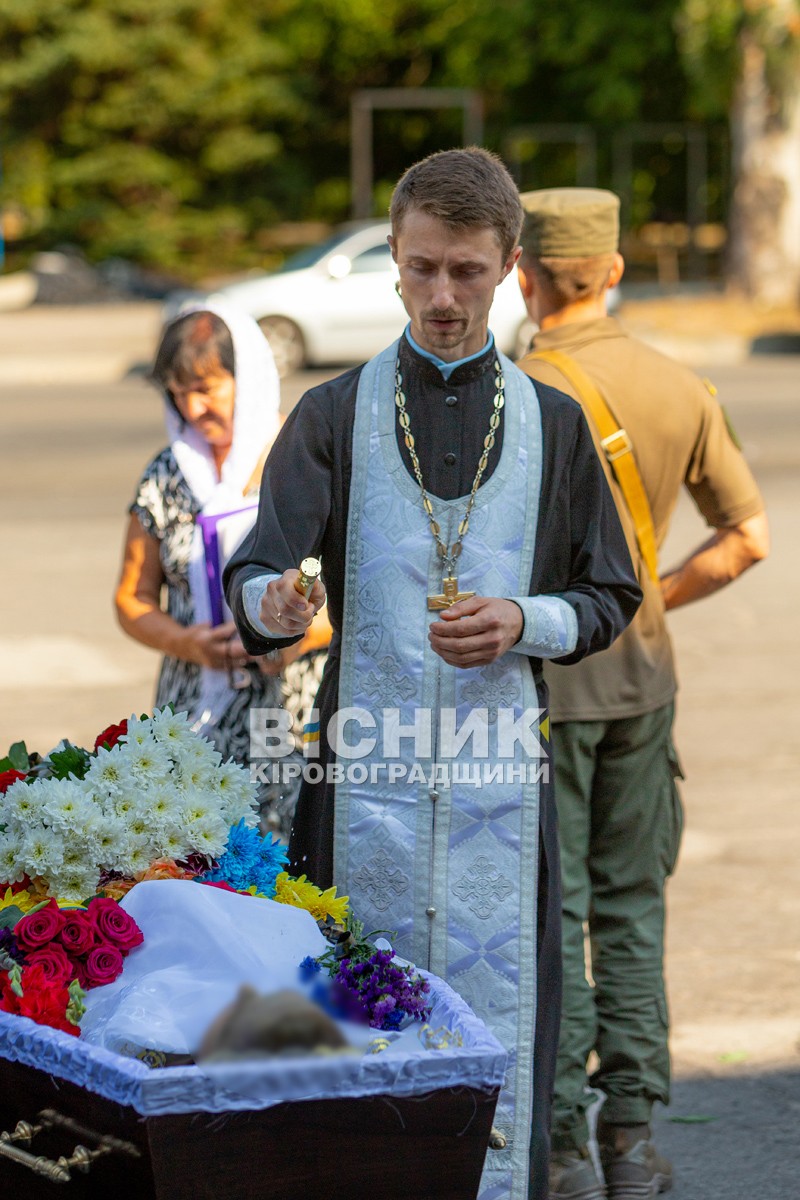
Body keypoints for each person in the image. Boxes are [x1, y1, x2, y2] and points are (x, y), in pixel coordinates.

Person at [225, 148, 642, 1200]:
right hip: (357, 791)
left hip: (503, 786)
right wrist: (271, 601)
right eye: (420, 270)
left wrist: (523, 619)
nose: (442, 297)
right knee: (349, 1051)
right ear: (396, 267)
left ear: (508, 265)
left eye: (465, 271)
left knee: (506, 1057)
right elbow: (256, 570)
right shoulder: (333, 413)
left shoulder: (553, 425)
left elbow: (609, 594)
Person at [515, 188, 769, 1200]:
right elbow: (745, 539)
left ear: (518, 274)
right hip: (643, 683)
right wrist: (643, 601)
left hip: (535, 691)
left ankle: (564, 1153)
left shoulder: (508, 393)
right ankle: (630, 1142)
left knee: (551, 912)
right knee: (628, 911)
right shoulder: (680, 383)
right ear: (613, 269)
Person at [115, 299, 318, 831]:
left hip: (289, 710)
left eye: (207, 388)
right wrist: (189, 644)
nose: (193, 408)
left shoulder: (303, 461)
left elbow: (360, 591)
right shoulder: (168, 475)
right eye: (180, 394)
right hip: (194, 706)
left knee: (291, 878)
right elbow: (131, 598)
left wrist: (299, 637)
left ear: (247, 377)